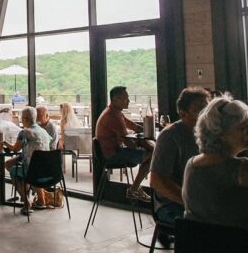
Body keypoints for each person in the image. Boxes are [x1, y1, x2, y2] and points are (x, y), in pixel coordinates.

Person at [183, 95, 248, 230]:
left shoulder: (191, 164)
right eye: (243, 128)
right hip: (235, 247)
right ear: (222, 135)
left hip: (196, 246)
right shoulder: (242, 169)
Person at [150, 87, 210, 229]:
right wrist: (191, 202)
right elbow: (156, 181)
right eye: (199, 111)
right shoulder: (170, 136)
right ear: (183, 114)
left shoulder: (209, 135)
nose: (206, 115)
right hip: (171, 204)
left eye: (207, 110)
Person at [95, 86, 152, 201]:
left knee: (151, 150)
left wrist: (146, 130)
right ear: (115, 100)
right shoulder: (112, 116)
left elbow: (133, 126)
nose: (129, 101)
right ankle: (134, 189)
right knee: (153, 155)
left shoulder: (114, 112)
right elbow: (130, 143)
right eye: (126, 98)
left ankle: (135, 189)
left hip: (112, 152)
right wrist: (146, 143)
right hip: (113, 156)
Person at [0, 105, 50, 214]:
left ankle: (26, 202)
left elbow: (15, 149)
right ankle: (38, 199)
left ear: (25, 119)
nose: (21, 120)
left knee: (13, 171)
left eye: (22, 118)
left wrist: (4, 143)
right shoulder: (44, 132)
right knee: (10, 164)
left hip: (32, 170)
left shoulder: (25, 132)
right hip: (47, 169)